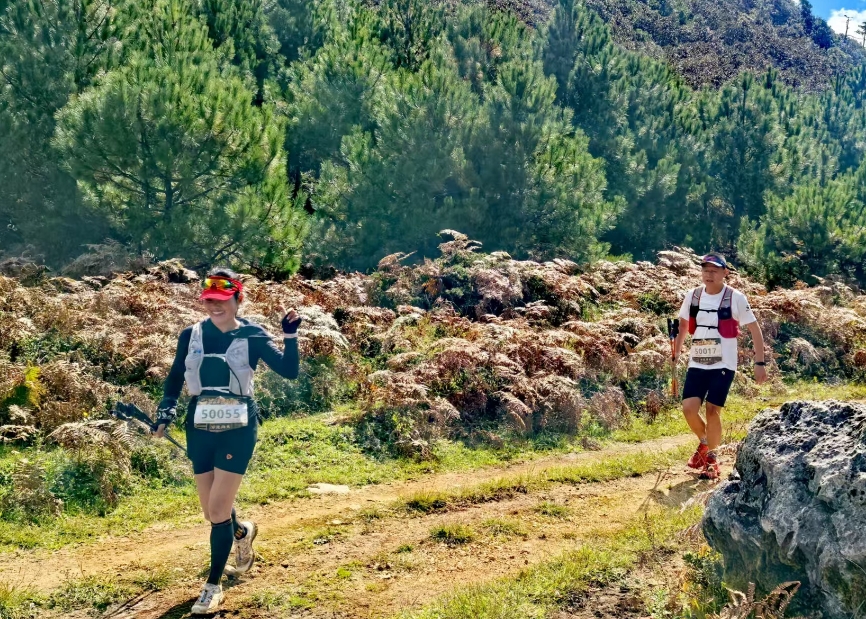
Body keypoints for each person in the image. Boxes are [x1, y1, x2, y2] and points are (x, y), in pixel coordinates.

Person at [152, 268, 301, 615]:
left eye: (222, 300)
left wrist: (289, 338)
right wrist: (166, 411)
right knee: (212, 512)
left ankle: (212, 586)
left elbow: (290, 372)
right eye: (209, 301)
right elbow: (175, 377)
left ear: (237, 299)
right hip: (199, 426)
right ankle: (242, 532)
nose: (215, 306)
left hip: (238, 428)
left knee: (218, 510)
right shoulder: (190, 334)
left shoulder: (252, 334)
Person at [672, 253, 767, 480]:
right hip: (697, 362)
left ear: (725, 272)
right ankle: (706, 443)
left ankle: (712, 461)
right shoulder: (693, 296)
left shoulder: (735, 298)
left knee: (713, 410)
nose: (709, 274)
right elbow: (684, 324)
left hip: (724, 364)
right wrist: (676, 350)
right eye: (705, 270)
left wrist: (759, 362)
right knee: (688, 409)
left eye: (714, 270)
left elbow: (755, 329)